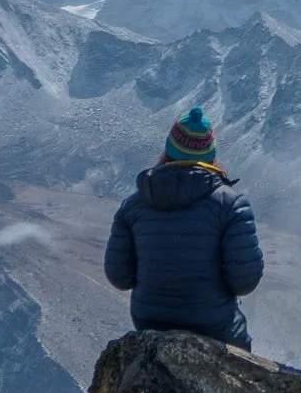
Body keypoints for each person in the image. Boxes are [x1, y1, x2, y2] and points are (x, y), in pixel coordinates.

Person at [104, 106, 265, 349]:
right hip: (213, 324)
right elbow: (244, 283)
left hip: (149, 320)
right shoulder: (231, 205)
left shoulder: (133, 205)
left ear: (168, 150)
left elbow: (119, 277)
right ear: (210, 154)